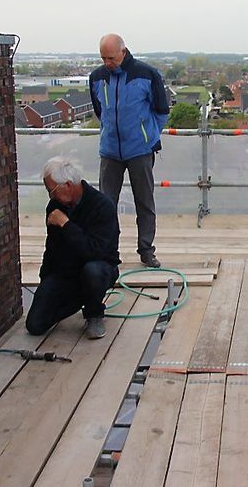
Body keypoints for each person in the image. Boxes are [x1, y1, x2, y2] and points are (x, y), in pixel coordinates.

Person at [89, 34, 170, 268]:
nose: (107, 63)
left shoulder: (147, 74)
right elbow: (99, 110)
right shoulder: (96, 77)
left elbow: (162, 110)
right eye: (103, 58)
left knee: (144, 202)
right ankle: (108, 254)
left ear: (123, 52)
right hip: (110, 152)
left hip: (140, 152)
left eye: (111, 58)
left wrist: (148, 137)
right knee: (105, 205)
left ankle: (146, 251)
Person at [26, 158, 121, 339]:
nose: (51, 196)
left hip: (99, 267)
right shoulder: (55, 206)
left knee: (92, 271)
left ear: (68, 185)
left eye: (52, 190)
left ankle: (94, 312)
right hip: (66, 271)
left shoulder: (102, 206)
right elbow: (51, 248)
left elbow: (94, 251)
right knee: (35, 325)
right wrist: (44, 283)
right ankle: (81, 298)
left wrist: (66, 224)